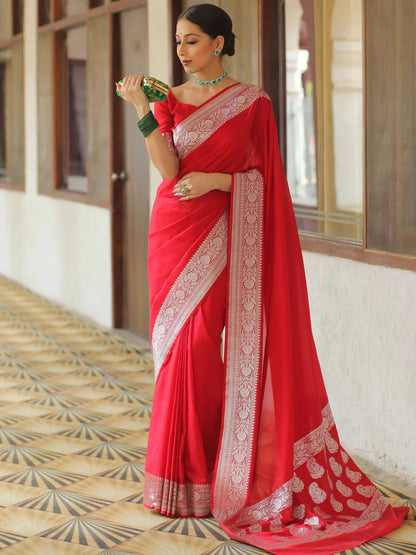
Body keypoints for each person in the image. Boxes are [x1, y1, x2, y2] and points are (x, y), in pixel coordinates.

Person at [116, 4, 408, 553]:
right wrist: (144, 111)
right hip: (172, 232)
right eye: (178, 41)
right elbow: (168, 170)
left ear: (221, 43)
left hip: (222, 234)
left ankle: (213, 477)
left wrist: (219, 182)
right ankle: (179, 484)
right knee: (179, 349)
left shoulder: (253, 103)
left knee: (203, 344)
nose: (181, 50)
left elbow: (264, 179)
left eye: (193, 41)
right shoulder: (169, 98)